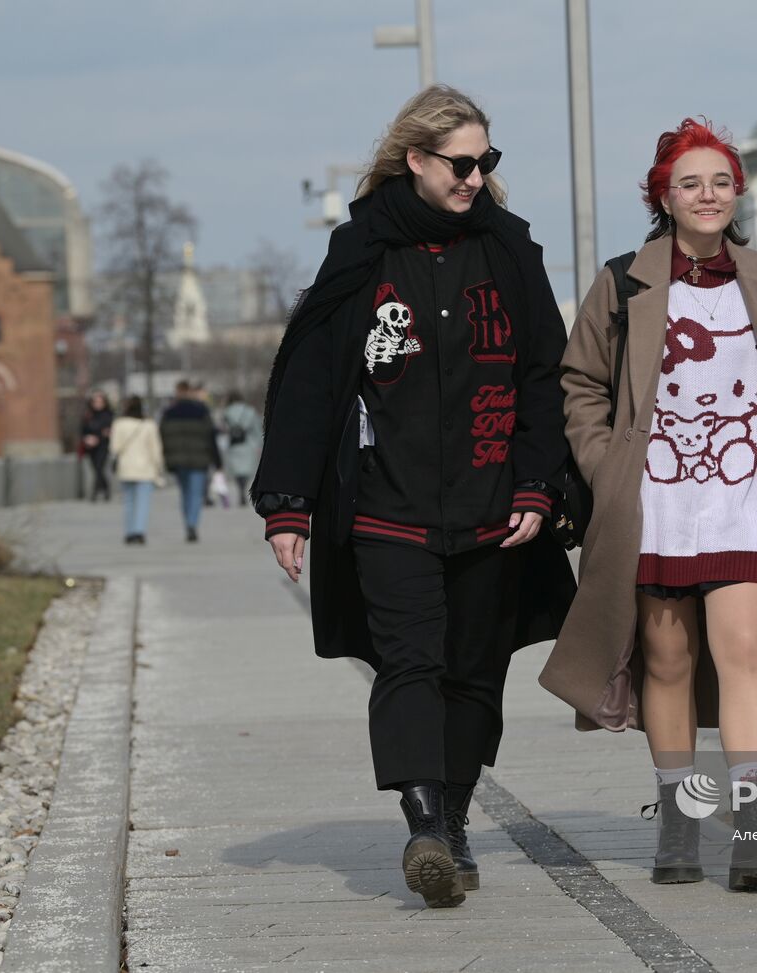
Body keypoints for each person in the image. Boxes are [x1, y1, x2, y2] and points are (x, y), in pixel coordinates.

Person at [252, 85, 574, 909]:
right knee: (409, 662)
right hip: (384, 508)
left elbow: (545, 376)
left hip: (493, 508)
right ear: (417, 161)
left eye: (485, 163)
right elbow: (312, 380)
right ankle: (423, 822)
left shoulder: (509, 251)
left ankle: (456, 821)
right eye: (460, 164)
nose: (475, 178)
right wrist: (287, 503)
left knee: (473, 670)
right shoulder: (360, 252)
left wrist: (539, 482)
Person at [539, 118, 757, 892]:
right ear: (663, 197)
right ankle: (678, 819)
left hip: (742, 497)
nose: (708, 195)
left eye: (721, 181)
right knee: (667, 659)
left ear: (737, 192)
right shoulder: (624, 281)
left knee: (743, 649)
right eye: (690, 183)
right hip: (657, 500)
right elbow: (579, 384)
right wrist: (608, 469)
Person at [160, 379, 221, 542]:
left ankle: (188, 522)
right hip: (199, 459)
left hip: (178, 460)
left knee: (185, 492)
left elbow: (163, 437)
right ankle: (192, 524)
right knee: (195, 494)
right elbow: (211, 436)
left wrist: (166, 457)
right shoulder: (201, 410)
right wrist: (218, 461)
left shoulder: (169, 412)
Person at [108, 396, 164, 545]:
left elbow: (114, 448)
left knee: (129, 501)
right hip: (145, 468)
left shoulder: (119, 424)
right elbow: (155, 449)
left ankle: (129, 531)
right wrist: (159, 466)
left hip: (126, 467)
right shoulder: (149, 425)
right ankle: (139, 531)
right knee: (143, 502)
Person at [221, 391, 262, 506]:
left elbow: (224, 429)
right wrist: (260, 444)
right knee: (246, 470)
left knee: (237, 470)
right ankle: (243, 489)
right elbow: (257, 429)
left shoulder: (226, 412)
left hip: (233, 444)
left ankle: (240, 489)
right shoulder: (250, 411)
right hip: (249, 444)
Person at [79, 390, 115, 502]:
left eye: (100, 401)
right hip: (91, 447)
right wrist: (87, 439)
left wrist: (101, 437)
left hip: (103, 446)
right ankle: (105, 487)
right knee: (96, 469)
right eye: (95, 401)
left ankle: (94, 493)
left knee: (99, 467)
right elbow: (82, 431)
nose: (98, 404)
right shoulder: (88, 415)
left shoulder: (108, 415)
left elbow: (109, 431)